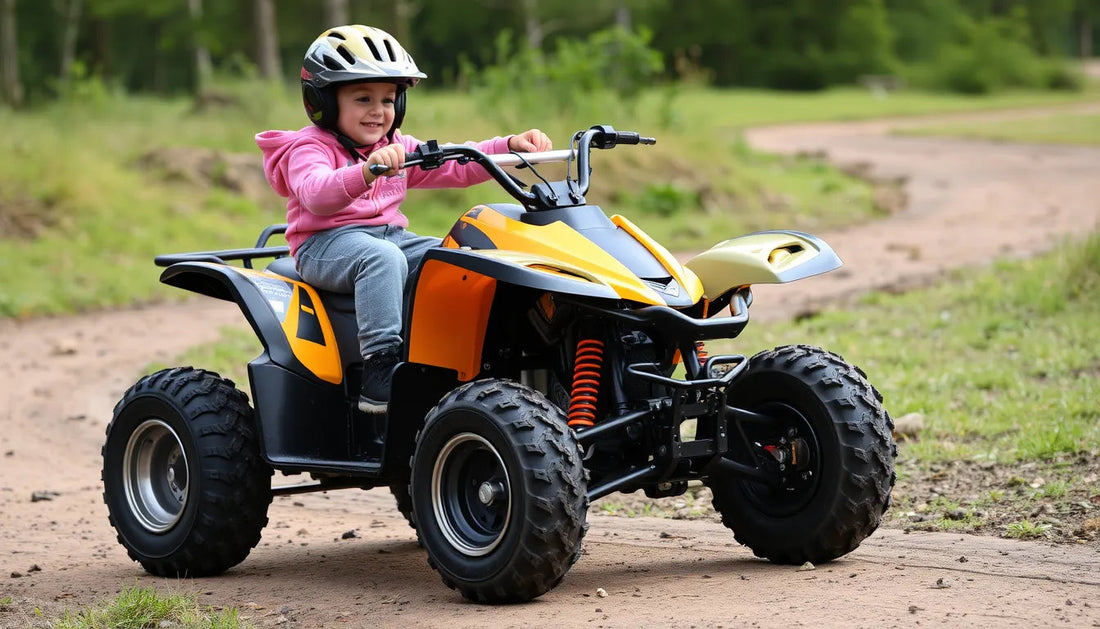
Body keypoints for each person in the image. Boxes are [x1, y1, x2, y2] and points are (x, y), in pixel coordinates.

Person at [256, 25, 551, 413]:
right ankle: (380, 369)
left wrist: (508, 147)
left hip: (389, 236)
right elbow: (316, 194)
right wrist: (366, 172)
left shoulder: (395, 146)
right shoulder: (308, 148)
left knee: (458, 256)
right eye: (363, 98)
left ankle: (469, 358)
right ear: (322, 101)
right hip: (324, 245)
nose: (378, 111)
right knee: (382, 259)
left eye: (389, 99)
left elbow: (457, 162)